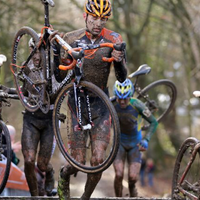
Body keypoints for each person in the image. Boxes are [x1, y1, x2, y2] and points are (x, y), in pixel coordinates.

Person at [51, 0, 127, 199]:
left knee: (98, 160)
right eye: (94, 18)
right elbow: (58, 77)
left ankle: (85, 197)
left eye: (103, 19)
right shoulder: (71, 38)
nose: (98, 23)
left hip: (101, 107)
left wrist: (119, 60)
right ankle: (64, 175)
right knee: (76, 162)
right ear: (85, 16)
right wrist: (56, 52)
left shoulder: (113, 38)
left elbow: (122, 78)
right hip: (77, 105)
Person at [20, 37, 57, 196]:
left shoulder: (53, 69)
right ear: (30, 51)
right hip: (31, 119)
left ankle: (49, 172)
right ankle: (34, 196)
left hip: (49, 120)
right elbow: (23, 93)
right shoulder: (26, 68)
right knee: (28, 161)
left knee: (42, 164)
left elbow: (60, 92)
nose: (36, 56)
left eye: (40, 52)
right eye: (33, 51)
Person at [112, 78, 158, 197]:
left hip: (135, 143)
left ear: (130, 96)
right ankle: (118, 198)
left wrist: (146, 139)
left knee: (132, 177)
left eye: (125, 98)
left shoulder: (138, 104)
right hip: (119, 143)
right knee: (118, 174)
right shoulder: (111, 103)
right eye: (119, 98)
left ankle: (132, 189)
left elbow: (154, 122)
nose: (122, 102)